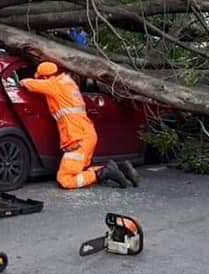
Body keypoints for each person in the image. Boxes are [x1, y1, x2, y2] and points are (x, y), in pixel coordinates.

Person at [21, 61, 140, 189]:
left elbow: (28, 84)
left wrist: (20, 81)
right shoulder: (68, 83)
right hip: (87, 134)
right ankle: (121, 167)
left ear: (45, 77)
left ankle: (104, 173)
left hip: (76, 138)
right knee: (81, 170)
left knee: (65, 179)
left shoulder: (53, 85)